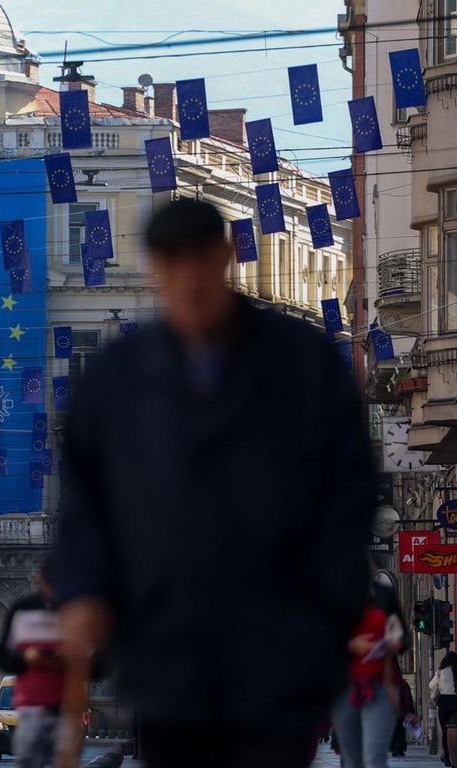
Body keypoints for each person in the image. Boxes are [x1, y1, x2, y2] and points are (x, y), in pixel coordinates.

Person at [53, 199, 376, 768]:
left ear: (224, 257)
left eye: (200, 260)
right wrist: (84, 593)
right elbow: (86, 505)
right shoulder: (116, 380)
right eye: (171, 263)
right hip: (164, 650)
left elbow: (347, 496)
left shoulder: (302, 364)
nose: (188, 279)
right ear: (153, 267)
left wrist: (325, 615)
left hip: (279, 649)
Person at [0, 559, 63, 768]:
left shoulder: (78, 611)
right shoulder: (22, 610)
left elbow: (98, 664)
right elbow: (1, 657)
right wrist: (24, 658)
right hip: (30, 707)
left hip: (67, 707)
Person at [332, 576, 409, 768]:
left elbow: (403, 637)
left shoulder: (383, 594)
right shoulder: (330, 594)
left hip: (381, 685)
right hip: (344, 686)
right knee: (351, 759)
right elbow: (319, 637)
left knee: (375, 757)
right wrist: (350, 645)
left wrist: (396, 642)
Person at [431, 651, 457, 765]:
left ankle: (447, 756)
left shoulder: (441, 672)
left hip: (445, 702)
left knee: (445, 731)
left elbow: (431, 685)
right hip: (456, 701)